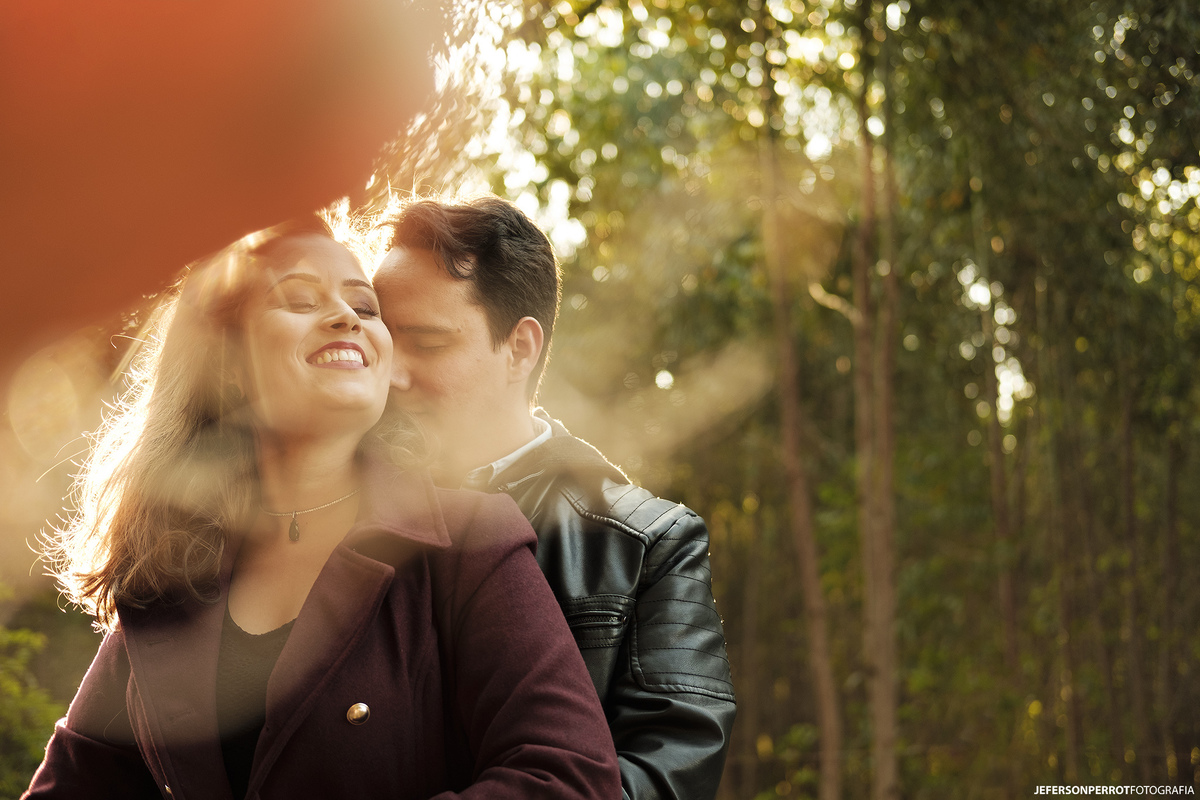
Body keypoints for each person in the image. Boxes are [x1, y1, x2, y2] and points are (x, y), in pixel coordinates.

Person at [24, 223, 619, 800]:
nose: (346, 318)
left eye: (365, 307)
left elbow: (570, 776)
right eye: (301, 299)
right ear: (227, 366)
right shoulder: (166, 579)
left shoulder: (468, 540)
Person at [372, 195, 736, 800]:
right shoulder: (325, 503)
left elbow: (673, 768)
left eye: (428, 344)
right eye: (383, 339)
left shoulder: (649, 544)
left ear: (520, 348)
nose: (391, 374)